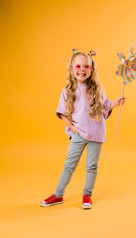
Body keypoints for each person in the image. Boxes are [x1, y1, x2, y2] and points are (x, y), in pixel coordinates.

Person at [40, 48, 125, 209]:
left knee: (92, 166)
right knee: (69, 165)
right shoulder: (67, 90)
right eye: (78, 67)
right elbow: (63, 113)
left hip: (96, 133)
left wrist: (115, 102)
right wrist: (72, 127)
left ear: (91, 69)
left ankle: (87, 195)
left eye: (86, 67)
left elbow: (104, 107)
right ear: (72, 69)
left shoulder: (98, 89)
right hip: (78, 133)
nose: (82, 70)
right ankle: (58, 195)